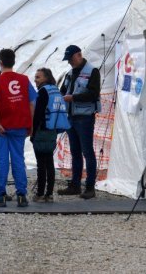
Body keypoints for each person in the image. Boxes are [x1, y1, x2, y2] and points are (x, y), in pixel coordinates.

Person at [0, 48, 37, 208]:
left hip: (2, 127)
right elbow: (32, 102)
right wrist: (31, 123)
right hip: (19, 125)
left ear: (0, 62)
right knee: (18, 160)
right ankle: (21, 195)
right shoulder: (24, 80)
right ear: (14, 62)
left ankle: (0, 195)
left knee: (1, 161)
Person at [57, 45, 101, 199]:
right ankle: (75, 185)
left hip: (85, 117)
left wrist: (73, 98)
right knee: (75, 152)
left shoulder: (92, 71)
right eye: (67, 59)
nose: (69, 62)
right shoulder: (70, 73)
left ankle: (90, 187)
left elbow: (94, 94)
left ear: (79, 55)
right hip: (71, 117)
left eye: (71, 58)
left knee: (87, 152)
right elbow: (62, 91)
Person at [31, 68, 69, 203]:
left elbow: (38, 114)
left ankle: (40, 194)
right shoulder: (56, 90)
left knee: (41, 164)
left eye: (38, 77)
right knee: (49, 164)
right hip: (52, 130)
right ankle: (49, 194)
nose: (35, 80)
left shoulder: (43, 91)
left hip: (42, 130)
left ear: (46, 78)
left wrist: (32, 132)